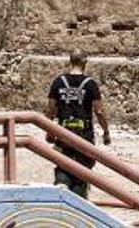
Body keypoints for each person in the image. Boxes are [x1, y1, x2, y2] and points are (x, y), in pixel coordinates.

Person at [46, 51, 111, 198]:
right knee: (82, 172)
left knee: (63, 167)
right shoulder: (90, 84)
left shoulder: (58, 82)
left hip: (63, 134)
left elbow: (50, 111)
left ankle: (61, 198)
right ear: (85, 62)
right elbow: (99, 111)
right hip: (84, 135)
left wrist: (49, 132)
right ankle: (78, 204)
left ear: (70, 61)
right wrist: (106, 132)